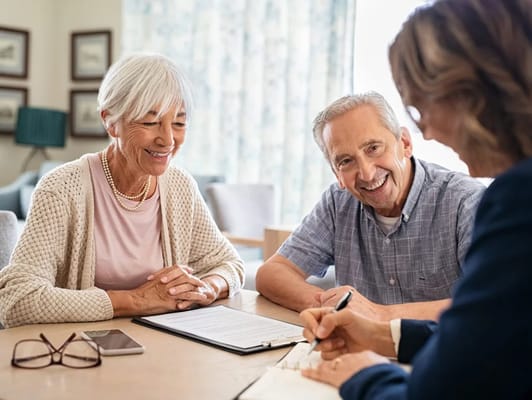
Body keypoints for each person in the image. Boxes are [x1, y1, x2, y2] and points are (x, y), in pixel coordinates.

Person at [299, 0, 532, 398]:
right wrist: (380, 334)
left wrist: (363, 375)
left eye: (420, 105)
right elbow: (487, 337)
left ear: (469, 93)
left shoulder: (515, 201)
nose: (426, 130)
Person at [0, 53, 244, 328]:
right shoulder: (61, 189)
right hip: (82, 351)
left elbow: (230, 264)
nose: (167, 139)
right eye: (150, 122)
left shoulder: (179, 186)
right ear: (110, 121)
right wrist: (136, 301)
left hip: (166, 348)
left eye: (178, 123)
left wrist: (207, 288)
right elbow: (16, 300)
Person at [256, 91, 485, 320]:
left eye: (373, 148)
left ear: (404, 143)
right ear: (337, 174)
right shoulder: (338, 202)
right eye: (346, 161)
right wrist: (334, 307)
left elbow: (490, 302)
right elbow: (271, 274)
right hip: (358, 354)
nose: (366, 173)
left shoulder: (466, 201)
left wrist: (377, 314)